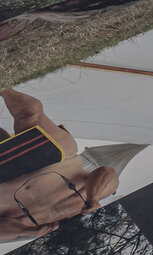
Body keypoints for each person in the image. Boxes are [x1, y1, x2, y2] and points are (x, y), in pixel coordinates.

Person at [0, 89, 118, 242]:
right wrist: (93, 197)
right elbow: (107, 172)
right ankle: (4, 87)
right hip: (54, 158)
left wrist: (25, 230)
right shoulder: (92, 200)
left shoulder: (31, 231)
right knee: (29, 116)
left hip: (4, 178)